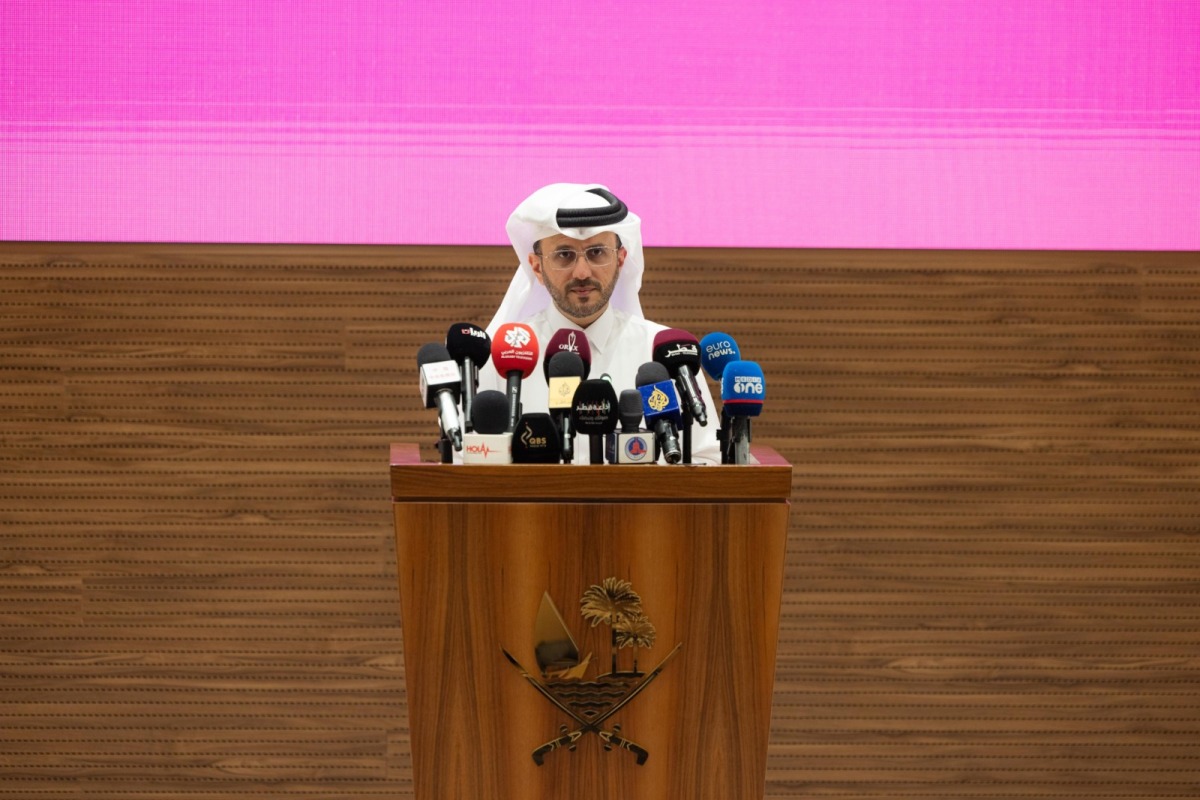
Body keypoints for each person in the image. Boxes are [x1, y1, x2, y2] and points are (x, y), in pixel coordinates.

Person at [478, 182, 720, 464]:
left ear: (620, 259)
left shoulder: (668, 354)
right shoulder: (502, 356)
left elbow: (707, 461)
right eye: (564, 255)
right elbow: (468, 462)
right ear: (537, 267)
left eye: (596, 253)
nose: (582, 273)